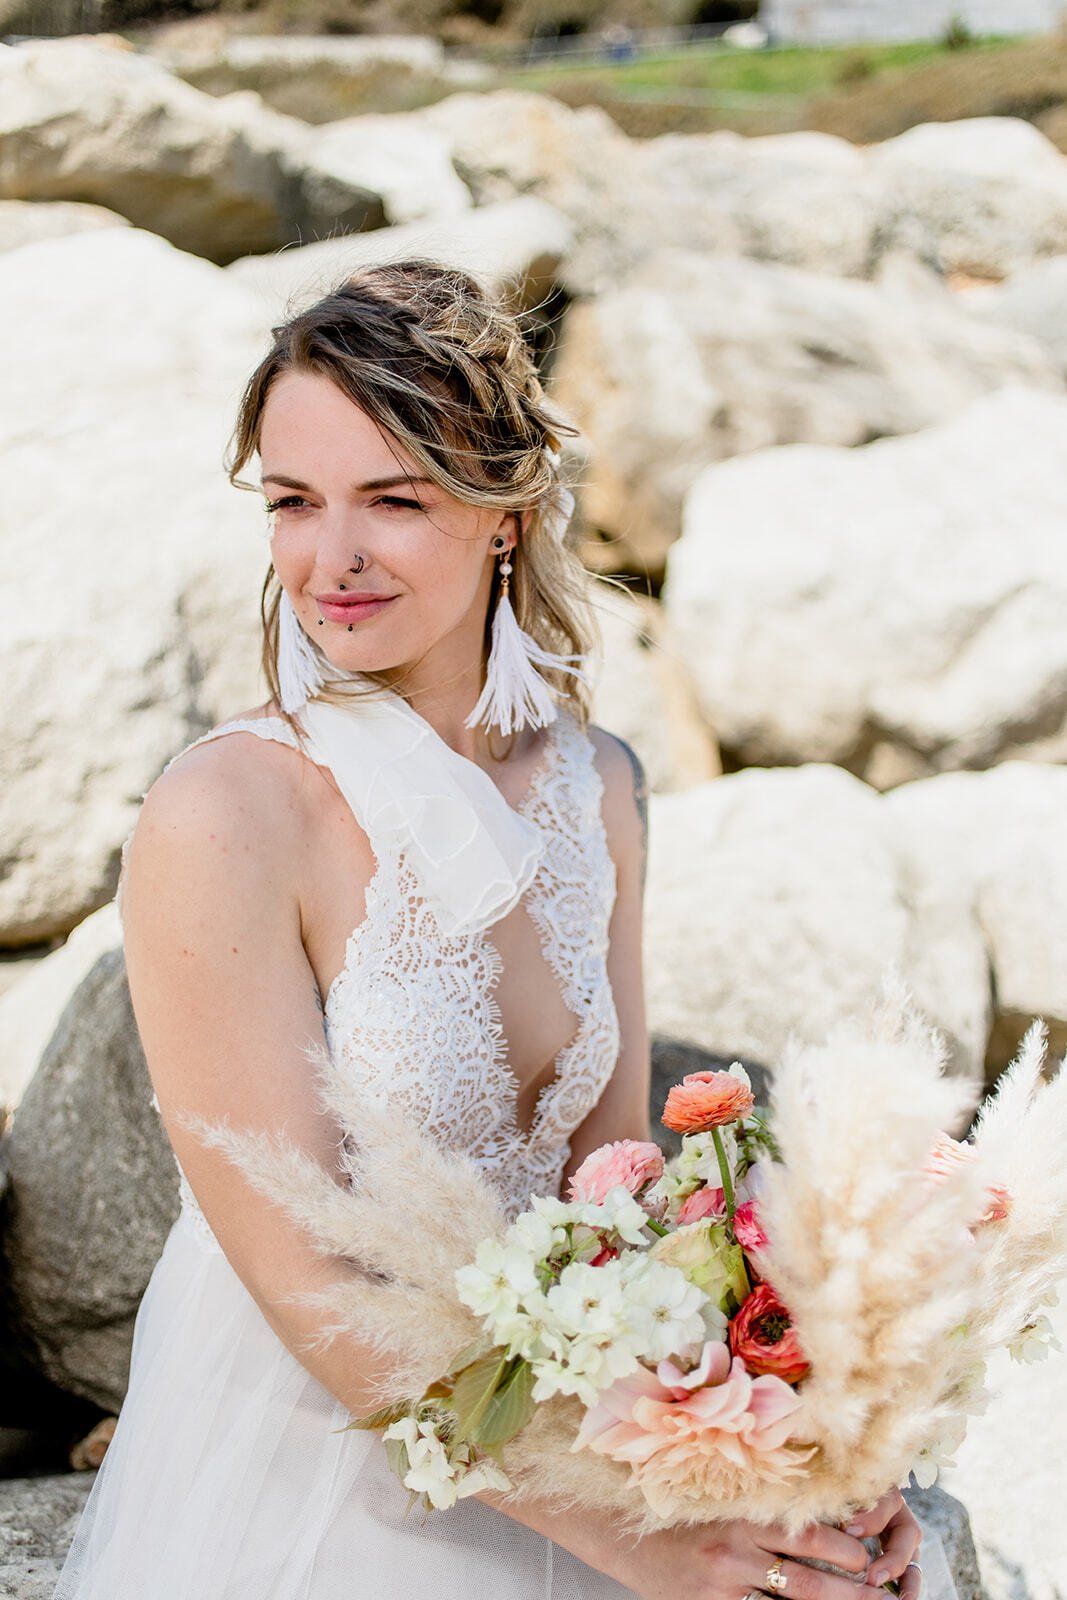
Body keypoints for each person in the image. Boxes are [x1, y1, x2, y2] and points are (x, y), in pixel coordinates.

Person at [51, 258, 924, 1598]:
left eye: (392, 502)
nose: (329, 560)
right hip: (321, 1480)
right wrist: (638, 1545)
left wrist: (802, 1478)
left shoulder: (598, 788)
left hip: (576, 1439)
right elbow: (302, 1281)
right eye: (294, 502)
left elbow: (619, 1191)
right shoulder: (226, 814)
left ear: (504, 516)